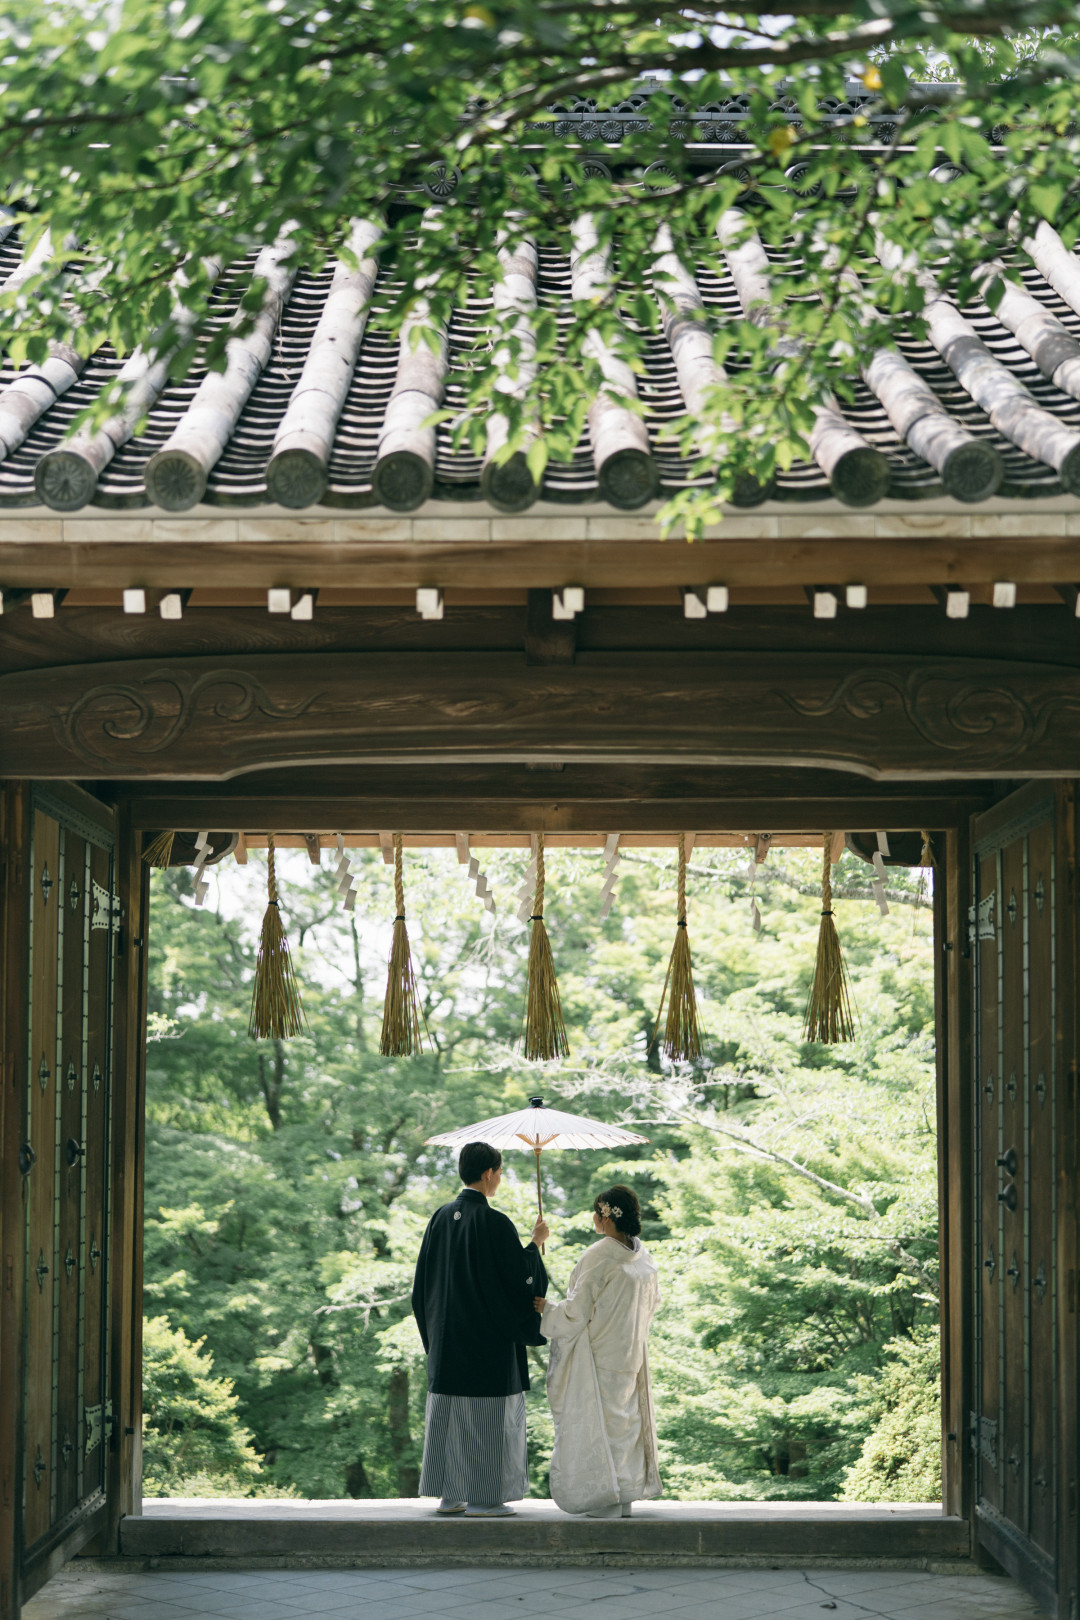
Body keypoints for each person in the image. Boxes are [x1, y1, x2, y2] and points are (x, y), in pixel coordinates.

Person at [412, 1140, 548, 1517]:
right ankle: (486, 1499)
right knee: (488, 1420)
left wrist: (434, 1337)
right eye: (500, 1172)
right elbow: (516, 1281)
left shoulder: (439, 1217)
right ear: (488, 1173)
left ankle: (449, 1495)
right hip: (486, 1343)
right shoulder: (494, 1221)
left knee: (450, 1414)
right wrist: (535, 1246)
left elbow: (421, 1286)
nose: (499, 1179)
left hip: (446, 1340)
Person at [534, 1183, 661, 1519]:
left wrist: (547, 1308)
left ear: (604, 1216)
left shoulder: (599, 1254)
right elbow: (653, 1304)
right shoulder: (642, 1256)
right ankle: (624, 1498)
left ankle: (603, 1500)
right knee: (625, 1428)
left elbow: (576, 1311)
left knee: (600, 1428)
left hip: (600, 1356)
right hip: (630, 1354)